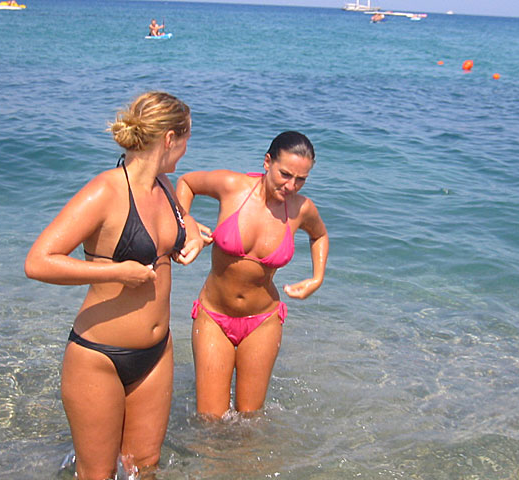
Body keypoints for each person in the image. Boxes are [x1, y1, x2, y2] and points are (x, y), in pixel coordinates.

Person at [25, 91, 203, 479]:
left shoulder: (164, 185)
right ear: (170, 139)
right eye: (186, 140)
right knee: (97, 474)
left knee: (146, 467)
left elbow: (182, 220)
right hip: (99, 356)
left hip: (156, 352)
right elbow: (38, 261)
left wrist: (191, 236)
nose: (187, 150)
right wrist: (117, 273)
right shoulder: (105, 191)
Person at [176, 131, 329, 419]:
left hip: (263, 321)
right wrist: (187, 224)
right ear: (267, 162)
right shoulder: (232, 187)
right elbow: (186, 183)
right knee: (210, 419)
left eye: (301, 179)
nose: (291, 186)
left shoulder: (301, 209)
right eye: (285, 174)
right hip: (213, 316)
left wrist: (316, 278)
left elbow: (319, 236)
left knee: (250, 420)